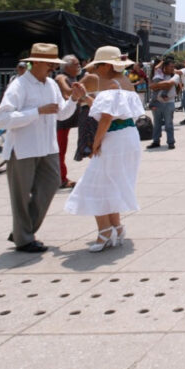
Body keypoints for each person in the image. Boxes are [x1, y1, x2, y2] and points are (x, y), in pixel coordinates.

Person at [0, 43, 86, 253]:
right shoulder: (19, 86)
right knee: (21, 194)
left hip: (47, 146)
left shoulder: (51, 85)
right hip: (23, 147)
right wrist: (37, 111)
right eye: (48, 63)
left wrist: (73, 98)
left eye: (53, 64)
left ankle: (22, 230)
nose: (52, 68)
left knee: (51, 183)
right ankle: (24, 237)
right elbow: (3, 118)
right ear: (35, 62)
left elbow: (61, 113)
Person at [64, 46, 144, 251]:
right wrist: (85, 97)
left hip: (115, 138)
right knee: (110, 183)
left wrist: (96, 143)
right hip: (127, 136)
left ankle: (105, 231)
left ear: (107, 66)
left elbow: (106, 118)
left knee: (94, 184)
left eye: (97, 66)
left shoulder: (110, 84)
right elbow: (111, 112)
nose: (94, 71)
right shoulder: (125, 83)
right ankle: (115, 227)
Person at [55, 54, 83, 189]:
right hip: (60, 121)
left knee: (61, 150)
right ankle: (61, 179)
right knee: (59, 151)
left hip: (66, 122)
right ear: (66, 66)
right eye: (76, 64)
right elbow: (67, 93)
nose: (79, 67)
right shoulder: (62, 77)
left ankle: (60, 177)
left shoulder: (72, 77)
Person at [147, 57, 178, 150]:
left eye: (173, 66)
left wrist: (156, 85)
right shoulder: (158, 74)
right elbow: (151, 87)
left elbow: (169, 83)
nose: (172, 68)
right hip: (157, 103)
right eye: (170, 66)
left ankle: (171, 142)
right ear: (165, 66)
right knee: (156, 124)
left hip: (169, 103)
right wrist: (158, 85)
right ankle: (156, 141)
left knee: (169, 124)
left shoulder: (175, 76)